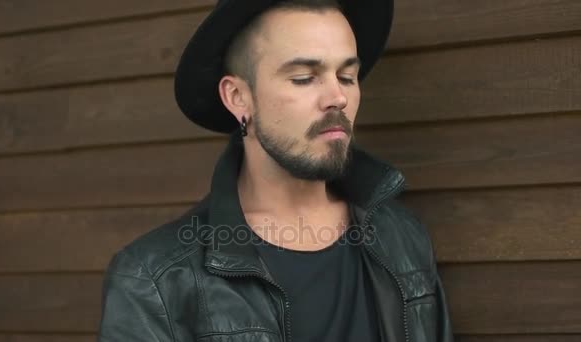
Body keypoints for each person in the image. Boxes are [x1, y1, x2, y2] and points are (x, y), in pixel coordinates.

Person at [98, 0, 454, 341]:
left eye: (347, 77)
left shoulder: (402, 238)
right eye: (303, 77)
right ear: (239, 98)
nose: (337, 97)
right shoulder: (154, 280)